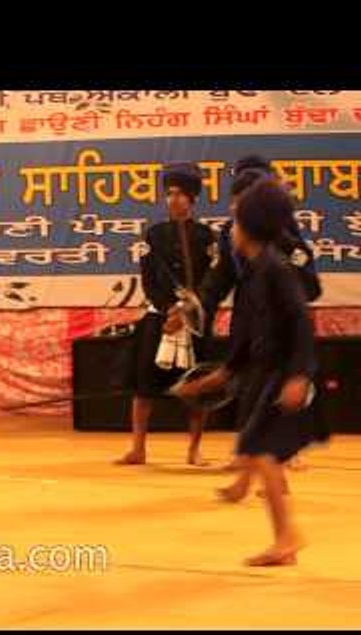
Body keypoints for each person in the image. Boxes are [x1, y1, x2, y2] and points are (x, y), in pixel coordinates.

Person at [175, 178, 325, 566]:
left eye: (236, 221)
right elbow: (249, 333)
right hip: (263, 372)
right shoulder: (255, 271)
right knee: (260, 452)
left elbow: (300, 324)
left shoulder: (276, 269)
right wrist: (221, 376)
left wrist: (299, 376)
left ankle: (287, 539)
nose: (232, 228)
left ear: (248, 227)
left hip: (280, 375)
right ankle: (286, 539)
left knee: (260, 450)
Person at [117, 163, 218, 466]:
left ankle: (194, 450)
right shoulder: (153, 235)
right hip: (159, 318)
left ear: (192, 199)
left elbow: (212, 280)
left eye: (180, 195)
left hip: (196, 321)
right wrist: (169, 310)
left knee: (198, 385)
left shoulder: (208, 237)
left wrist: (187, 311)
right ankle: (138, 448)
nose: (173, 200)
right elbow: (149, 281)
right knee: (144, 385)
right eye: (169, 194)